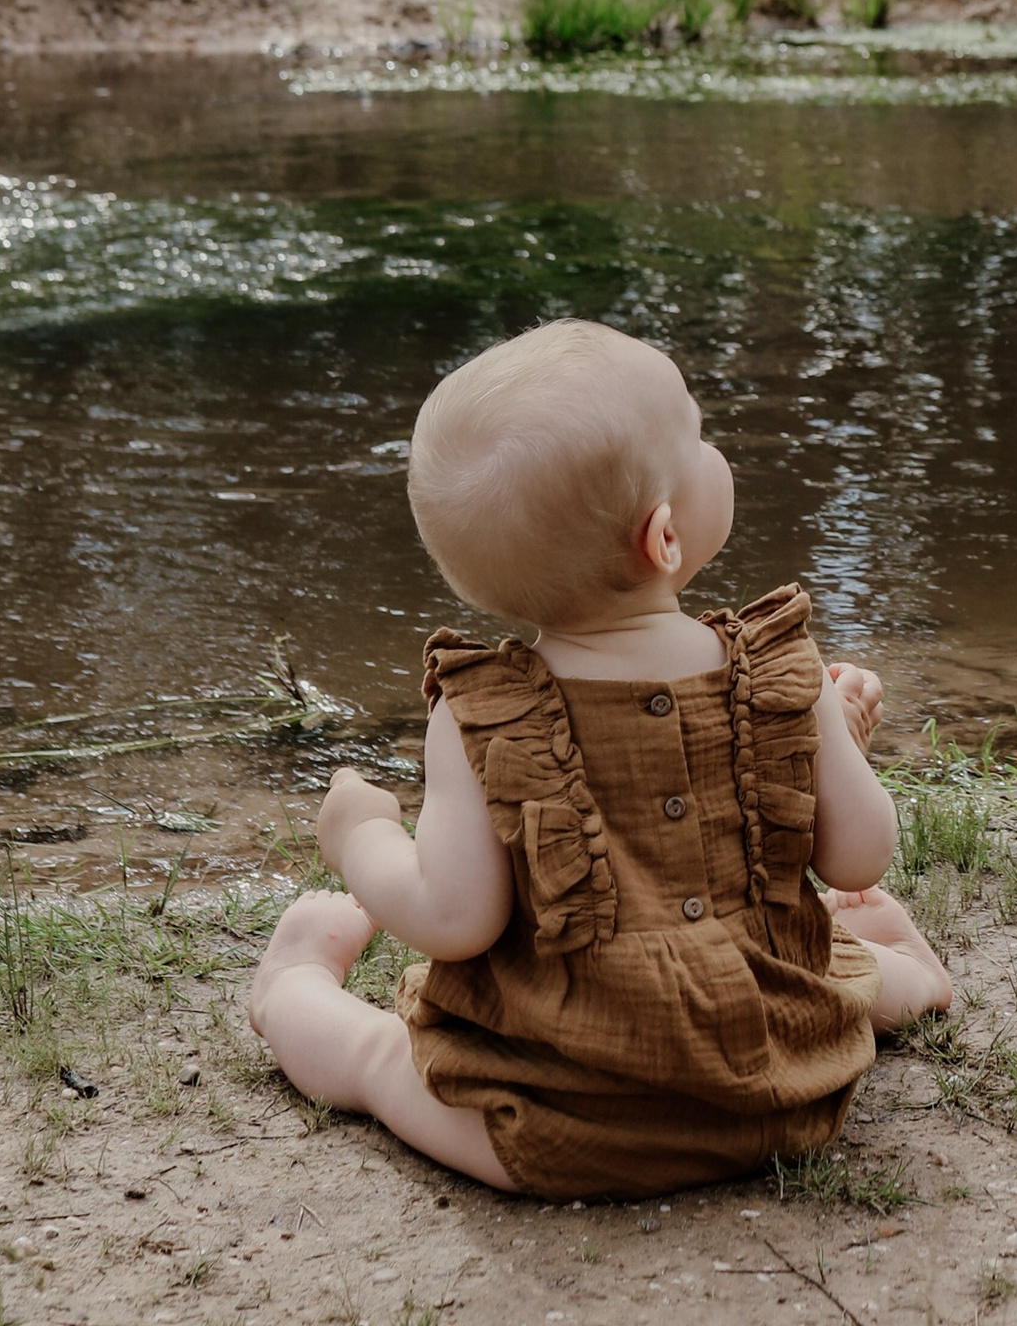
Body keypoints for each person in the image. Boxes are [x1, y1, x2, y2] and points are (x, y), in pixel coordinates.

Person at [248, 318, 950, 1197]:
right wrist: (830, 745)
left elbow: (451, 914)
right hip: (788, 1093)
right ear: (664, 539)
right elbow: (860, 852)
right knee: (787, 967)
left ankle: (291, 986)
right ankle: (914, 982)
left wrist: (362, 838)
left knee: (381, 1061)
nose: (714, 446)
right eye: (698, 435)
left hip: (566, 1124)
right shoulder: (779, 674)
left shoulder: (484, 715)